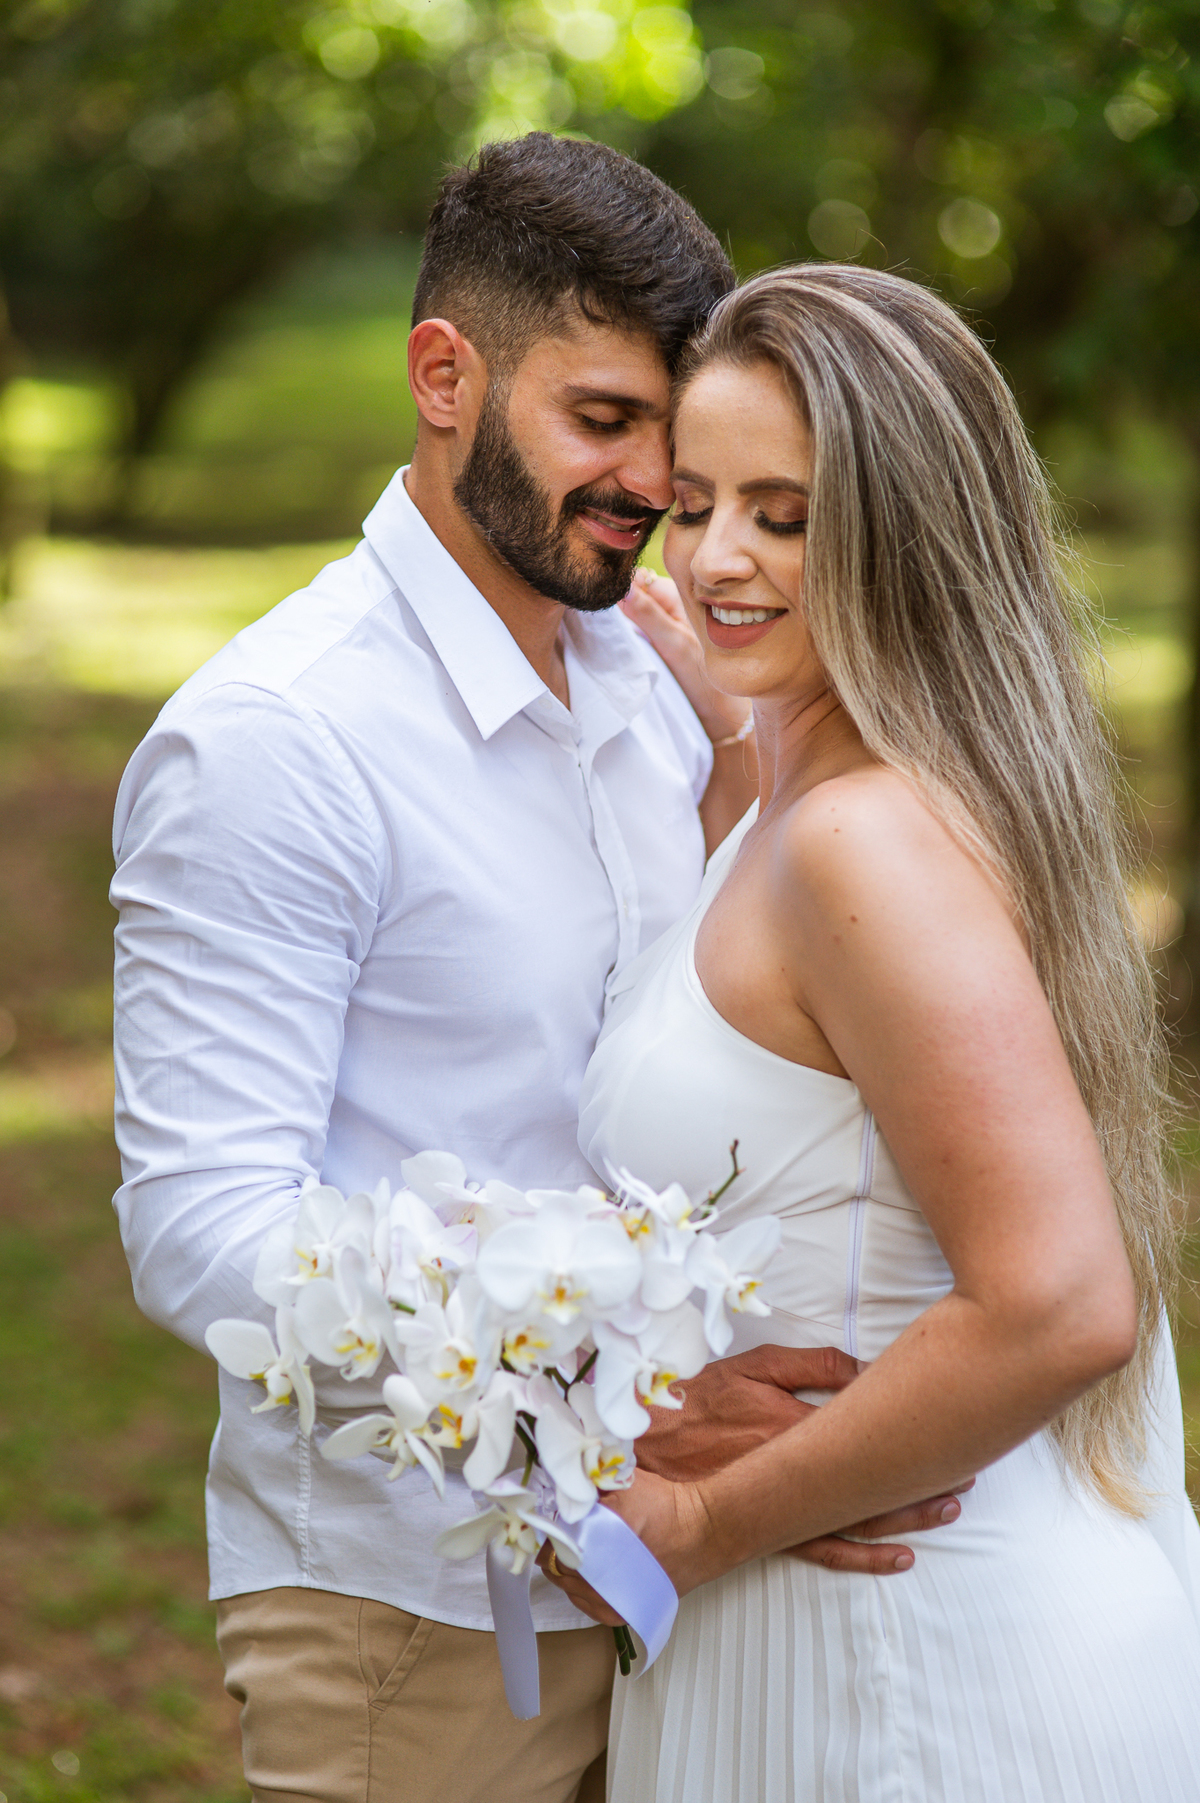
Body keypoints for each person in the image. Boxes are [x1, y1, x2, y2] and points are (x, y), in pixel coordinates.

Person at [110, 142, 958, 1803]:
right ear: (446, 375)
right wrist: (614, 1391)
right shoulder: (279, 742)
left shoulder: (652, 676)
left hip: (691, 1587)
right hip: (416, 1618)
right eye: (603, 420)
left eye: (676, 426)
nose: (652, 481)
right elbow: (200, 1229)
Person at [550, 264, 1200, 1800]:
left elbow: (1060, 1304)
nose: (717, 558)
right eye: (694, 502)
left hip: (909, 1670)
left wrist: (699, 1524)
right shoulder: (795, 802)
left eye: (784, 514)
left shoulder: (866, 848)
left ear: (903, 536)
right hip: (819, 1636)